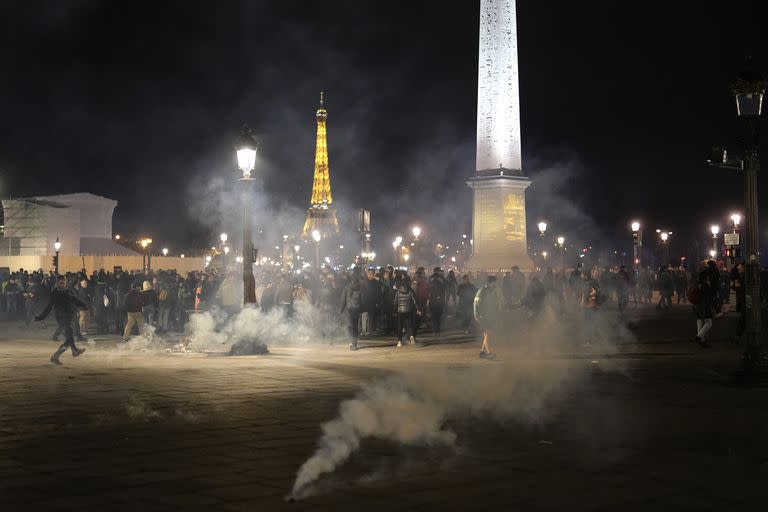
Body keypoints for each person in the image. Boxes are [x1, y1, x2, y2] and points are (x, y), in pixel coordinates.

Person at [34, 275, 88, 365]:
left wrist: (85, 306)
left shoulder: (69, 291)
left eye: (63, 283)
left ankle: (55, 356)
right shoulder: (55, 293)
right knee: (70, 334)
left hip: (69, 316)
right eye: (60, 283)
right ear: (57, 283)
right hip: (61, 317)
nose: (62, 285)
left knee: (68, 340)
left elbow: (75, 300)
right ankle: (74, 350)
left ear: (66, 282)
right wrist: (40, 317)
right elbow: (49, 307)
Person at [474, 275, 500, 359]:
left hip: (490, 316)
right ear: (490, 283)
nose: (495, 284)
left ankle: (482, 352)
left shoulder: (493, 291)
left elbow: (495, 302)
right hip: (483, 316)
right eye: (494, 283)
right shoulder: (482, 291)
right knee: (488, 333)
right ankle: (489, 353)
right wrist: (476, 315)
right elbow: (476, 303)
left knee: (487, 334)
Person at [340, 275, 364, 350]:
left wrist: (340, 310)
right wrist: (361, 310)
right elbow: (362, 300)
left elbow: (343, 300)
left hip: (348, 310)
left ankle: (352, 341)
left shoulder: (346, 288)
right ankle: (355, 343)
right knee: (355, 327)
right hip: (356, 310)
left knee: (349, 326)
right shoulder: (360, 288)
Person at [393, 276, 418, 347]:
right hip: (408, 310)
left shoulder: (398, 292)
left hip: (400, 311)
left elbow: (395, 302)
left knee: (400, 326)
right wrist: (418, 309)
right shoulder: (410, 291)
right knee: (409, 325)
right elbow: (414, 301)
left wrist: (394, 311)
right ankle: (411, 336)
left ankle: (399, 341)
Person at [428, 267, 447, 336]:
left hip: (432, 299)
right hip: (440, 299)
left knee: (433, 315)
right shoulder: (442, 278)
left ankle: (435, 329)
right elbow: (445, 287)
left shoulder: (430, 278)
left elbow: (428, 288)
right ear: (438, 271)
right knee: (439, 315)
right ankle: (438, 329)